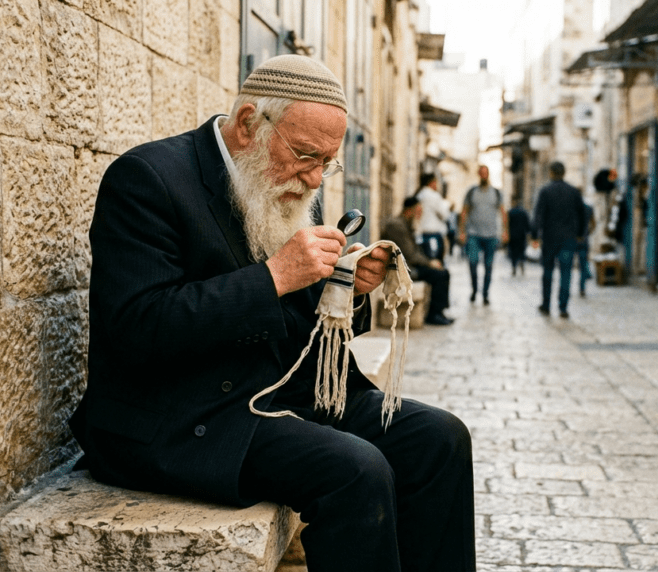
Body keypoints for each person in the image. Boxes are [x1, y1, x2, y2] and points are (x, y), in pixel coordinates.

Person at [68, 55, 476, 572]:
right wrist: (276, 276)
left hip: (273, 392)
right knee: (355, 470)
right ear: (247, 125)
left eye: (326, 164)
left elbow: (292, 320)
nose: (312, 180)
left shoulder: (280, 180)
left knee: (439, 438)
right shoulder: (147, 179)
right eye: (305, 156)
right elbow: (137, 327)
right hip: (181, 416)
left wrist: (345, 288)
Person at [380, 197, 454, 326]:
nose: (420, 214)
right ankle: (434, 314)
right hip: (401, 269)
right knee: (440, 275)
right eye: (418, 211)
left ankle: (439, 311)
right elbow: (410, 254)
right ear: (409, 211)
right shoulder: (397, 225)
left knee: (443, 271)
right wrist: (429, 263)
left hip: (408, 264)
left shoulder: (405, 224)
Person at [532, 161, 586, 319]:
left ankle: (546, 304)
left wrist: (535, 235)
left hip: (550, 238)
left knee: (547, 271)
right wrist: (580, 234)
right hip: (568, 238)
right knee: (566, 273)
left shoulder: (545, 191)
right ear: (564, 173)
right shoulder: (573, 191)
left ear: (551, 172)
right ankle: (563, 307)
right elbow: (582, 214)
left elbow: (539, 214)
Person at [458, 165, 508, 304]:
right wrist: (461, 231)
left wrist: (505, 231)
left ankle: (485, 293)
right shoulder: (472, 192)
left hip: (491, 235)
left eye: (486, 173)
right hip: (473, 234)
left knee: (488, 266)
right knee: (472, 263)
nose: (484, 175)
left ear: (489, 174)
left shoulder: (497, 193)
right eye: (482, 173)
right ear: (479, 174)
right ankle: (474, 290)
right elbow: (464, 212)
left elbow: (503, 212)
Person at [414, 173, 451, 263]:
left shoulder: (418, 195)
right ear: (431, 182)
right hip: (433, 234)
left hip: (420, 234)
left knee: (427, 261)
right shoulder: (434, 196)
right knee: (436, 262)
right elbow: (445, 215)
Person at [506, 198, 531, 276]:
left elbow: (507, 224)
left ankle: (514, 267)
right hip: (522, 235)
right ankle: (522, 264)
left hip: (512, 235)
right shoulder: (524, 212)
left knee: (513, 252)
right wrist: (529, 233)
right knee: (521, 251)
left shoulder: (510, 212)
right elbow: (528, 224)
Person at [576, 201, 595, 296]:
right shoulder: (588, 208)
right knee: (583, 265)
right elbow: (593, 224)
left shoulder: (571, 207)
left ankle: (564, 288)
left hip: (571, 240)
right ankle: (582, 288)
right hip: (584, 239)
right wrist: (588, 232)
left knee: (566, 266)